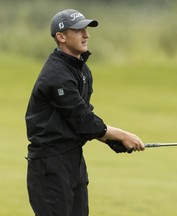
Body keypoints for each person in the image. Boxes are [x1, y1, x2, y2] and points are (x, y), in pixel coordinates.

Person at [25, 9, 145, 216]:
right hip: (50, 164)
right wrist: (122, 135)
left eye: (86, 29)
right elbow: (83, 120)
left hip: (74, 160)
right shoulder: (56, 75)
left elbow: (79, 119)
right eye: (79, 30)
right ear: (61, 37)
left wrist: (109, 141)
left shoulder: (81, 70)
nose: (86, 34)